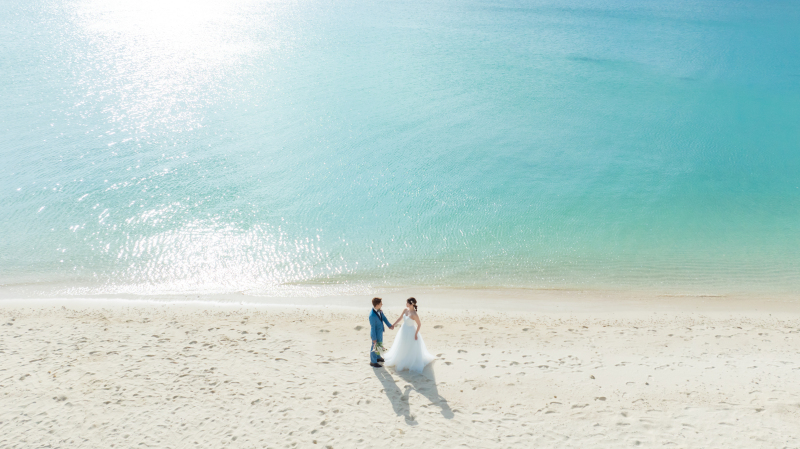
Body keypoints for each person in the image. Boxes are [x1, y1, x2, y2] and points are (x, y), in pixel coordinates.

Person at [382, 297, 435, 373]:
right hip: (403, 330)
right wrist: (393, 324)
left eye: (407, 303)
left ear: (411, 304)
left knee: (410, 346)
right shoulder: (405, 310)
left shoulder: (414, 314)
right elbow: (400, 318)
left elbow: (419, 324)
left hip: (411, 331)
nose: (406, 304)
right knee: (402, 344)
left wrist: (416, 334)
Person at [369, 297, 394, 368]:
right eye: (380, 304)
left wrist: (389, 325)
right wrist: (374, 338)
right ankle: (373, 362)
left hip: (380, 331)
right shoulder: (372, 316)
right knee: (374, 346)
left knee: (379, 344)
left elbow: (384, 318)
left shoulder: (380, 310)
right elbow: (372, 328)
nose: (382, 304)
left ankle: (378, 357)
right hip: (375, 333)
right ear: (376, 305)